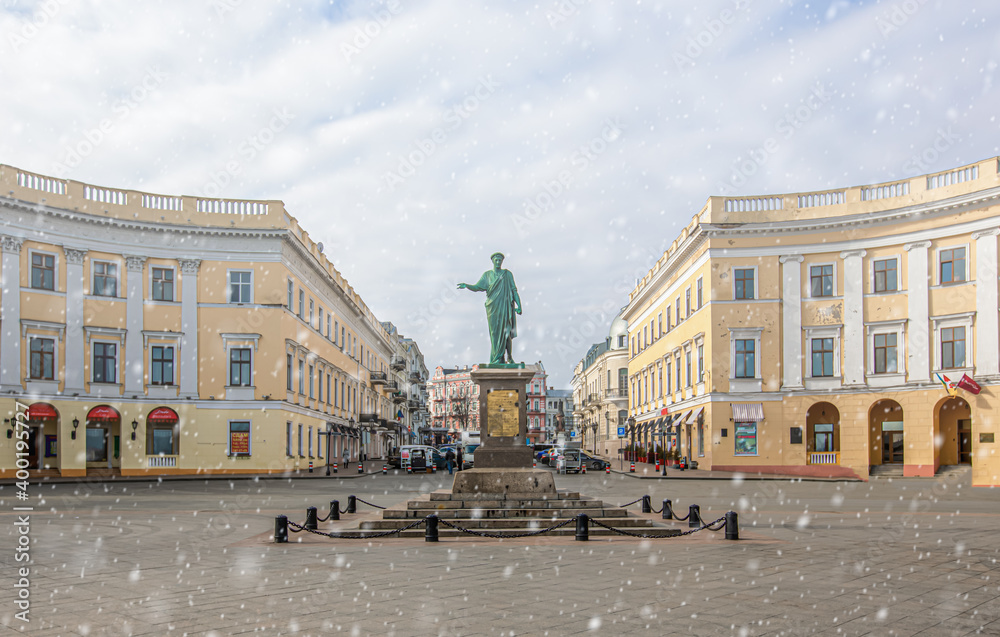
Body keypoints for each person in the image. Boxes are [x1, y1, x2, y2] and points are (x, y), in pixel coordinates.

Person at [458, 252, 522, 365]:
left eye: (500, 260)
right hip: (492, 308)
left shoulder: (507, 274)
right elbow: (477, 287)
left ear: (502, 262)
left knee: (506, 333)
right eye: (496, 260)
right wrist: (467, 286)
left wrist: (519, 305)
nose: (498, 262)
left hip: (505, 307)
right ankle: (497, 358)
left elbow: (514, 290)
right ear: (492, 261)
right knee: (495, 334)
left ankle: (509, 357)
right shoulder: (487, 275)